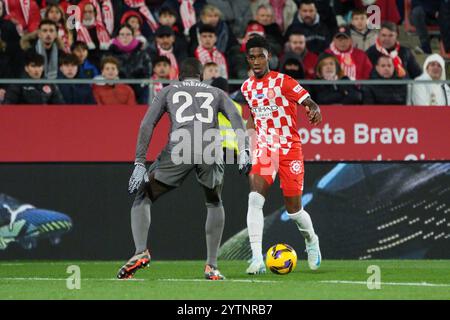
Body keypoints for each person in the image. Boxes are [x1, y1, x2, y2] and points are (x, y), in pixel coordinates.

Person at [117, 58, 249, 280]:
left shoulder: (169, 90)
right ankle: (212, 266)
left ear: (179, 75)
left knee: (144, 196)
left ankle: (140, 252)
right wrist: (245, 149)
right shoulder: (215, 92)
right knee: (215, 202)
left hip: (181, 146)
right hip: (210, 147)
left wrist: (140, 161)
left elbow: (147, 124)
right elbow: (236, 117)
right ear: (201, 76)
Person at [241, 35, 322, 274]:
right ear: (248, 59)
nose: (256, 61)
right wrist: (247, 147)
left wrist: (314, 109)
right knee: (255, 199)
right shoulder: (247, 87)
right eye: (252, 57)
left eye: (260, 56)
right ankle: (256, 258)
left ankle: (311, 241)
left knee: (294, 210)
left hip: (289, 149)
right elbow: (253, 119)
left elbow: (309, 102)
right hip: (266, 149)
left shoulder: (283, 81)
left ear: (269, 57)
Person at [109, 24, 152, 104]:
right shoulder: (111, 53)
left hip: (140, 92)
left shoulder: (142, 54)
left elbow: (148, 74)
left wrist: (142, 84)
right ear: (117, 36)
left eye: (128, 34)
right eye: (122, 34)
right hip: (118, 92)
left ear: (133, 36)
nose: (125, 37)